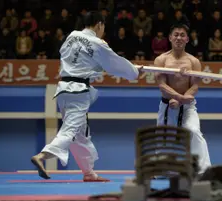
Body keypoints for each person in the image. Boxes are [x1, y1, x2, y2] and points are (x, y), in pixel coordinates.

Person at [31, 11, 141, 182]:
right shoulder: (98, 43)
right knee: (71, 128)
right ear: (99, 24)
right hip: (78, 90)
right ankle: (42, 156)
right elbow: (115, 62)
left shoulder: (72, 36)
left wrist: (96, 66)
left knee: (80, 134)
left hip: (63, 90)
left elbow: (70, 57)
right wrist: (134, 71)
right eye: (103, 27)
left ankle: (88, 173)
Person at [154, 24, 211, 175]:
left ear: (187, 39)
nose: (179, 38)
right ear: (170, 38)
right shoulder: (161, 60)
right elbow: (161, 84)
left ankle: (203, 170)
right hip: (167, 106)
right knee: (163, 137)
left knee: (193, 131)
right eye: (176, 35)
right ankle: (162, 170)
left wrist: (181, 100)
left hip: (188, 106)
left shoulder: (194, 62)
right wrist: (177, 97)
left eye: (182, 35)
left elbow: (195, 86)